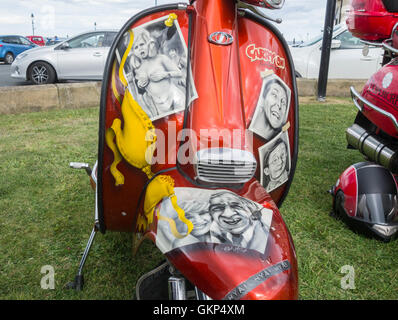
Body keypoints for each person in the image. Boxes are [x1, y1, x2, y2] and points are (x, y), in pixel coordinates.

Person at [129, 28, 185, 119]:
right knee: (169, 128)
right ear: (134, 52)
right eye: (136, 47)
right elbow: (142, 89)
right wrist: (140, 85)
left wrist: (165, 74)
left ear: (148, 44)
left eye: (142, 44)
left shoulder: (160, 58)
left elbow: (179, 73)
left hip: (175, 98)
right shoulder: (138, 69)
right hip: (159, 106)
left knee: (182, 121)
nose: (140, 49)